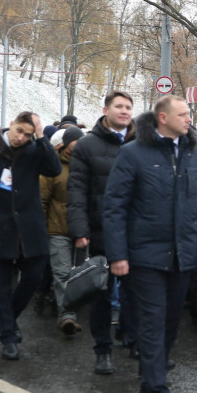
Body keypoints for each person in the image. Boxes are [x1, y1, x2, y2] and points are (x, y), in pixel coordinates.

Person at [103, 96, 197, 393]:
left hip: (184, 255)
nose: (188, 119)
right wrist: (118, 254)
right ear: (162, 117)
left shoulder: (195, 157)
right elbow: (114, 207)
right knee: (152, 322)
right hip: (144, 255)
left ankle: (148, 382)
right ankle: (158, 390)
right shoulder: (133, 154)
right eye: (182, 114)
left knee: (170, 323)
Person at [0, 111, 61, 359]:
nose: (22, 137)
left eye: (28, 134)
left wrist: (41, 136)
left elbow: (53, 169)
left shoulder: (34, 149)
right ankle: (8, 336)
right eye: (20, 131)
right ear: (11, 125)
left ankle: (6, 316)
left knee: (34, 275)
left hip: (30, 228)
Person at [67, 90, 135, 374]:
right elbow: (77, 190)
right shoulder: (87, 145)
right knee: (103, 294)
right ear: (105, 109)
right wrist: (80, 230)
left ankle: (132, 338)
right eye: (118, 106)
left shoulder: (141, 143)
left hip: (136, 231)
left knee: (136, 292)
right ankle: (102, 350)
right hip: (100, 230)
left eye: (128, 107)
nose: (124, 111)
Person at [42, 126, 86, 335]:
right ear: (66, 143)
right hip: (57, 228)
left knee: (81, 274)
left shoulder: (87, 164)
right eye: (74, 142)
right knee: (62, 273)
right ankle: (66, 315)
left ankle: (74, 309)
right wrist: (41, 227)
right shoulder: (53, 166)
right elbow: (42, 199)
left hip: (82, 229)